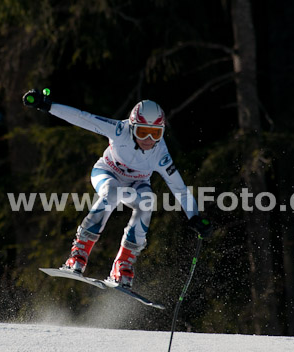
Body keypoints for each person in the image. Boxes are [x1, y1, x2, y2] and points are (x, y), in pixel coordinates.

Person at [22, 89, 212, 289]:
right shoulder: (119, 130)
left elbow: (179, 189)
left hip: (136, 184)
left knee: (147, 201)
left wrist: (195, 217)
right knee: (111, 193)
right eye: (142, 132)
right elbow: (82, 118)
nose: (148, 139)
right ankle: (79, 254)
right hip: (107, 172)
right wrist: (48, 105)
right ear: (132, 127)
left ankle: (123, 265)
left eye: (155, 133)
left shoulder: (160, 153)